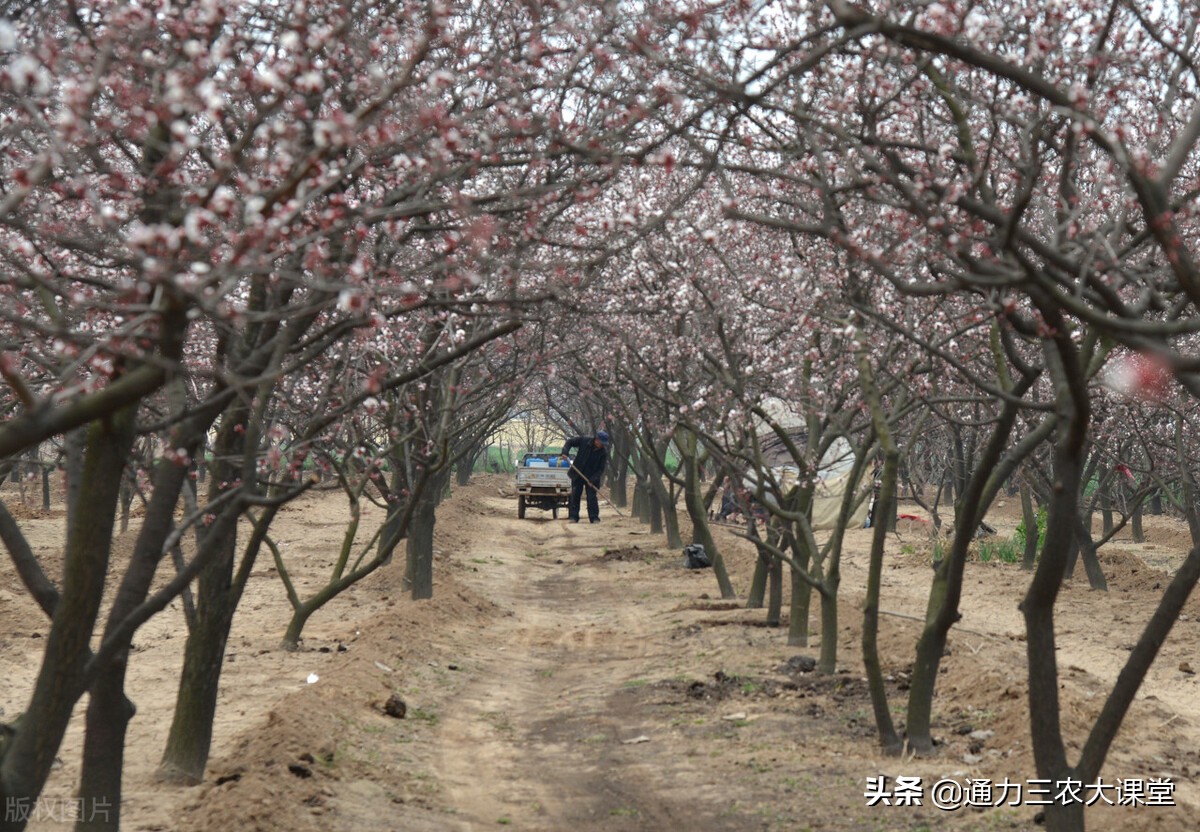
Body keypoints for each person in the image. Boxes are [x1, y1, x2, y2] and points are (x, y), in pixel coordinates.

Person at [560, 430, 610, 523]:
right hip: (578, 473)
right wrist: (565, 452)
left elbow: (601, 469)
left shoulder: (603, 452)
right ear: (596, 440)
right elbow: (569, 442)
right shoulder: (584, 441)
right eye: (601, 443)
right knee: (575, 495)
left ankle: (594, 517)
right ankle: (574, 517)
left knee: (592, 497)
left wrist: (593, 479)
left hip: (592, 477)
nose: (602, 445)